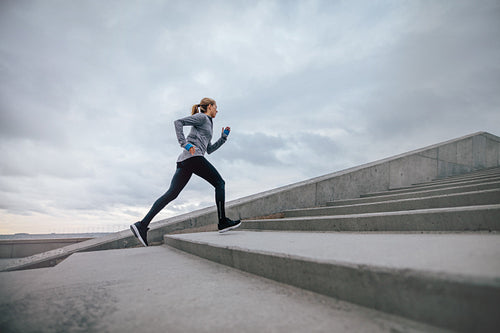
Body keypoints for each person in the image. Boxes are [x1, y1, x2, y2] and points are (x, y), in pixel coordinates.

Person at [130, 98, 241, 247]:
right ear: (209, 106)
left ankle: (142, 225)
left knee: (171, 194)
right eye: (216, 107)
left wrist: (224, 138)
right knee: (220, 183)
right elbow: (178, 122)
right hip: (192, 158)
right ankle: (222, 222)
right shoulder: (202, 117)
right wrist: (185, 144)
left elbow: (209, 150)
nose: (217, 110)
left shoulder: (209, 123)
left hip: (185, 161)